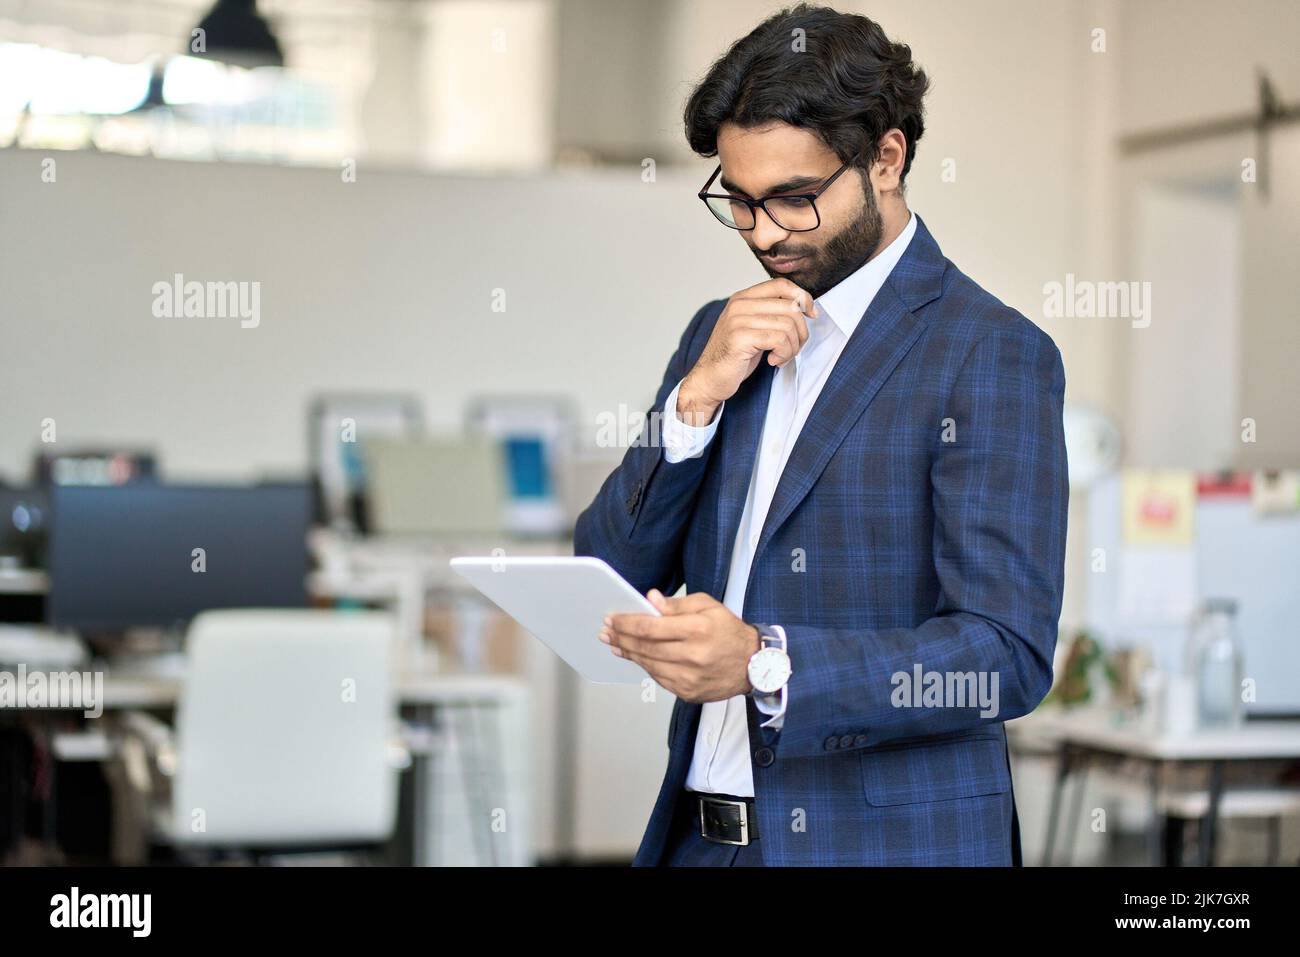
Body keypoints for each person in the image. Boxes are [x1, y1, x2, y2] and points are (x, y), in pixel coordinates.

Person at [574, 3, 1068, 866]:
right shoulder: (717, 334)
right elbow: (610, 570)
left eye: (795, 200)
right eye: (740, 201)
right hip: (700, 839)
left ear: (885, 157)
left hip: (881, 845)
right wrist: (692, 403)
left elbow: (1004, 657)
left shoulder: (990, 352)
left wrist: (767, 663)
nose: (763, 234)